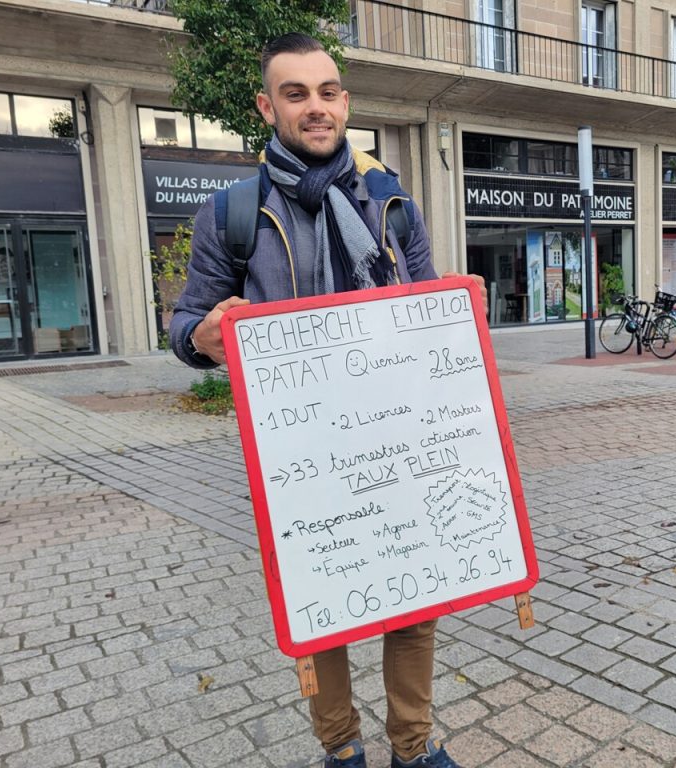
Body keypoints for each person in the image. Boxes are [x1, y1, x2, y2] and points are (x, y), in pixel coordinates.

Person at [170, 32, 482, 768]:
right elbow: (184, 327)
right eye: (296, 93)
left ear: (345, 99)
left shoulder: (391, 202)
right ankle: (340, 749)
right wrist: (202, 336)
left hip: (398, 433)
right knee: (324, 602)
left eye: (328, 91)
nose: (316, 107)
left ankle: (413, 746)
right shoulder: (232, 214)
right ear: (266, 105)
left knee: (416, 592)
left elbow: (428, 303)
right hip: (299, 451)